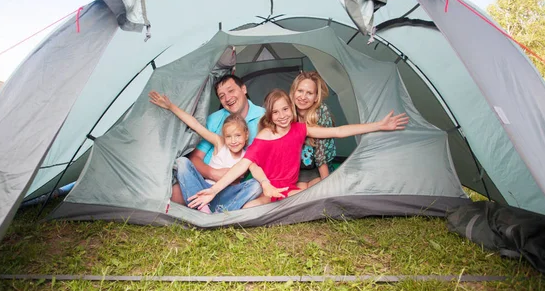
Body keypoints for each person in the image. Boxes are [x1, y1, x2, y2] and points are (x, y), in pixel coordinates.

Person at [186, 89, 409, 210]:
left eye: (286, 109)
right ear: (270, 116)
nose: (282, 116)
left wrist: (379, 125)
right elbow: (243, 166)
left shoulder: (300, 129)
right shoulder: (265, 136)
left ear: (291, 109)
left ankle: (286, 204)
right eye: (276, 112)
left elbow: (339, 131)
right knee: (249, 209)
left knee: (321, 195)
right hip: (269, 190)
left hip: (290, 190)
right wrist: (214, 190)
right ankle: (222, 205)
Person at [149, 91, 272, 212]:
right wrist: (170, 106)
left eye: (238, 135)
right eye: (229, 136)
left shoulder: (247, 156)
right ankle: (203, 208)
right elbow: (196, 125)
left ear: (246, 135)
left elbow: (257, 170)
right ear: (224, 136)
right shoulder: (220, 143)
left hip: (226, 195)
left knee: (256, 185)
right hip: (205, 189)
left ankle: (223, 212)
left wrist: (265, 183)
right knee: (182, 162)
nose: (233, 141)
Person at [167, 74, 265, 205]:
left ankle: (217, 211)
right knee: (174, 194)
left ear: (244, 89)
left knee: (257, 186)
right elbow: (195, 151)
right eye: (222, 96)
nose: (228, 98)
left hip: (235, 187)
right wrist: (213, 173)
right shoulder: (215, 123)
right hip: (205, 182)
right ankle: (206, 209)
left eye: (231, 91)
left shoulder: (264, 118)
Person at [289, 71, 336, 189]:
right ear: (294, 92)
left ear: (316, 97)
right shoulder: (286, 110)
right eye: (300, 91)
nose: (303, 97)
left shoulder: (322, 112)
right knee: (300, 196)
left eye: (309, 93)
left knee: (316, 193)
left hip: (318, 167)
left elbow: (321, 154)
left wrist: (327, 186)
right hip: (296, 170)